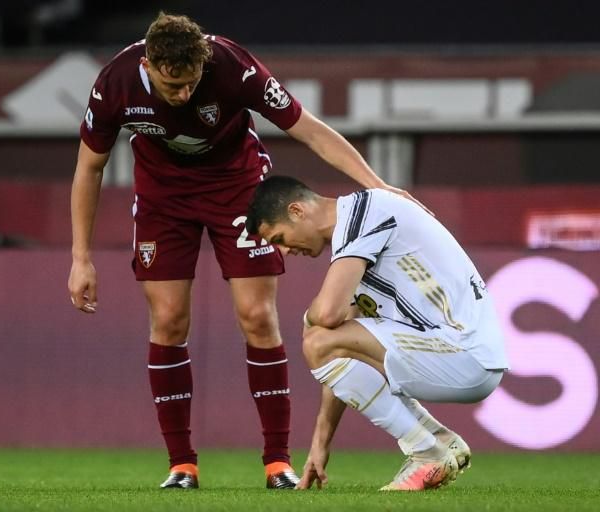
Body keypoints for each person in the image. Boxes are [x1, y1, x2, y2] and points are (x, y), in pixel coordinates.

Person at [68, 12, 418, 490]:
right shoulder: (115, 83)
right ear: (148, 65)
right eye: (172, 87)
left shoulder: (233, 66)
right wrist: (80, 257)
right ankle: (181, 465)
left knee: (257, 316)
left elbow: (308, 129)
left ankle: (277, 462)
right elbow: (89, 168)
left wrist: (377, 187)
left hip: (236, 188)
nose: (183, 95)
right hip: (162, 199)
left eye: (191, 84)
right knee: (168, 320)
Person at [245, 176, 509, 491]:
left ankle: (427, 452)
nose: (285, 251)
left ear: (298, 211)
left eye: (280, 238)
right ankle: (440, 441)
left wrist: (309, 317)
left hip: (463, 352)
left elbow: (326, 316)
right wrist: (320, 443)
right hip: (458, 353)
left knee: (317, 331)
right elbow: (339, 355)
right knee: (323, 338)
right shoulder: (356, 243)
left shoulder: (363, 214)